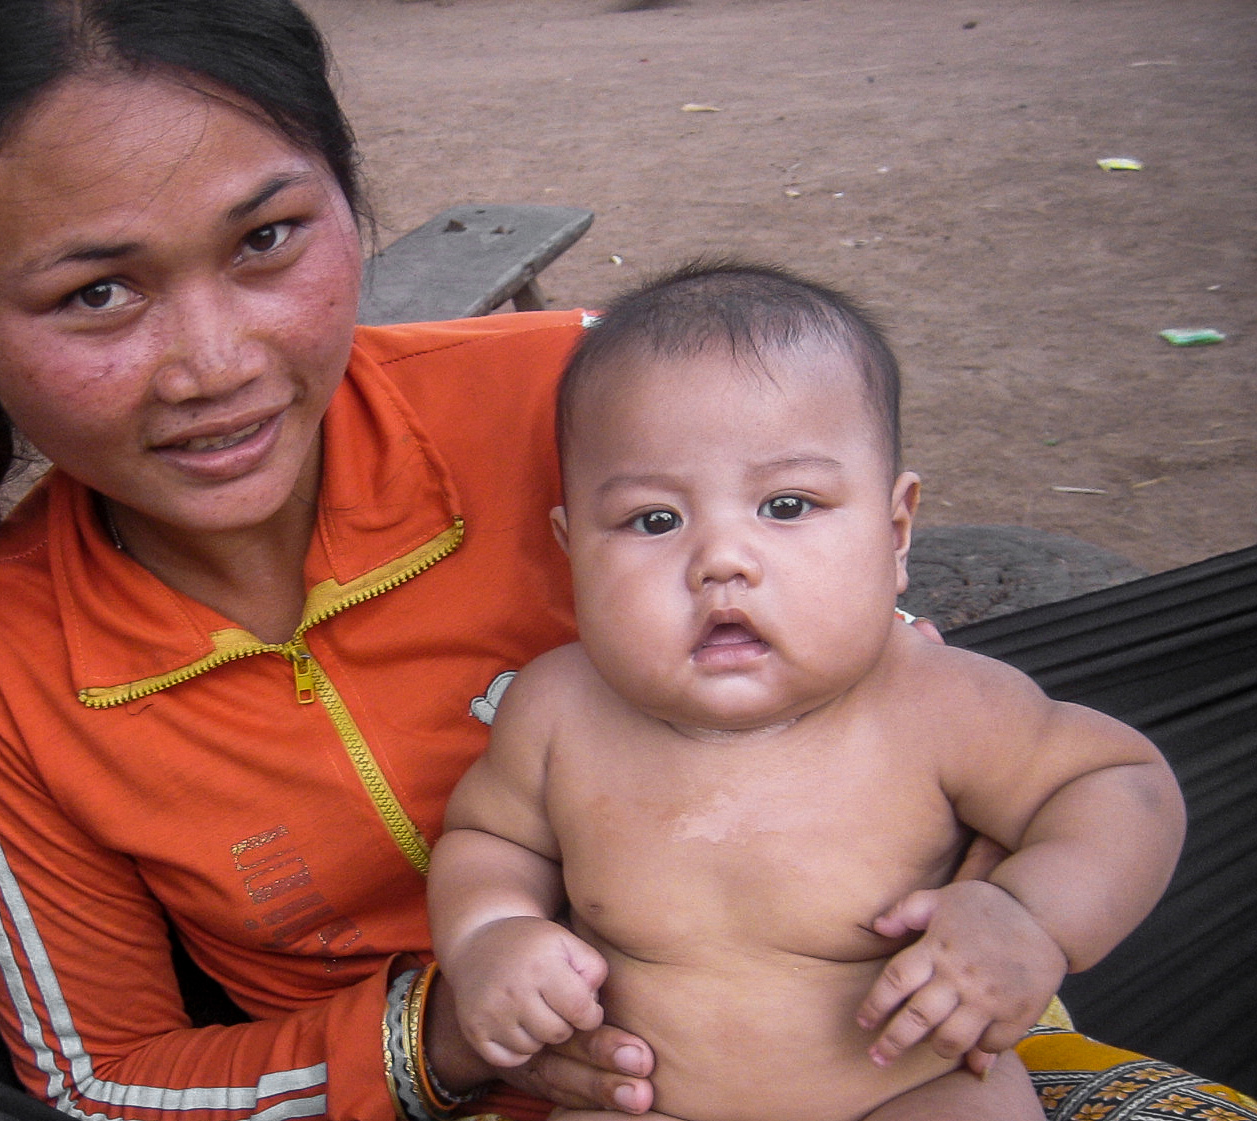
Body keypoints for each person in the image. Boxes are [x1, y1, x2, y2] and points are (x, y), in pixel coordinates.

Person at [0, 2, 1248, 1120]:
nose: (214, 364)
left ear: (349, 204)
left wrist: (998, 924)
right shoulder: (1, 668)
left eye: (269, 239)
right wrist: (437, 1033)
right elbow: (106, 1079)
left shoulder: (577, 404)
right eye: (97, 293)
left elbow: (895, 714)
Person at [427, 261, 1187, 1121]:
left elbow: (1122, 785)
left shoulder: (940, 703)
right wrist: (490, 933)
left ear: (895, 531)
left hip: (907, 1091)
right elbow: (490, 838)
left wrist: (1029, 918)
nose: (723, 559)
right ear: (573, 551)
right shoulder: (557, 709)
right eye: (654, 520)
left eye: (787, 505)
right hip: (647, 1101)